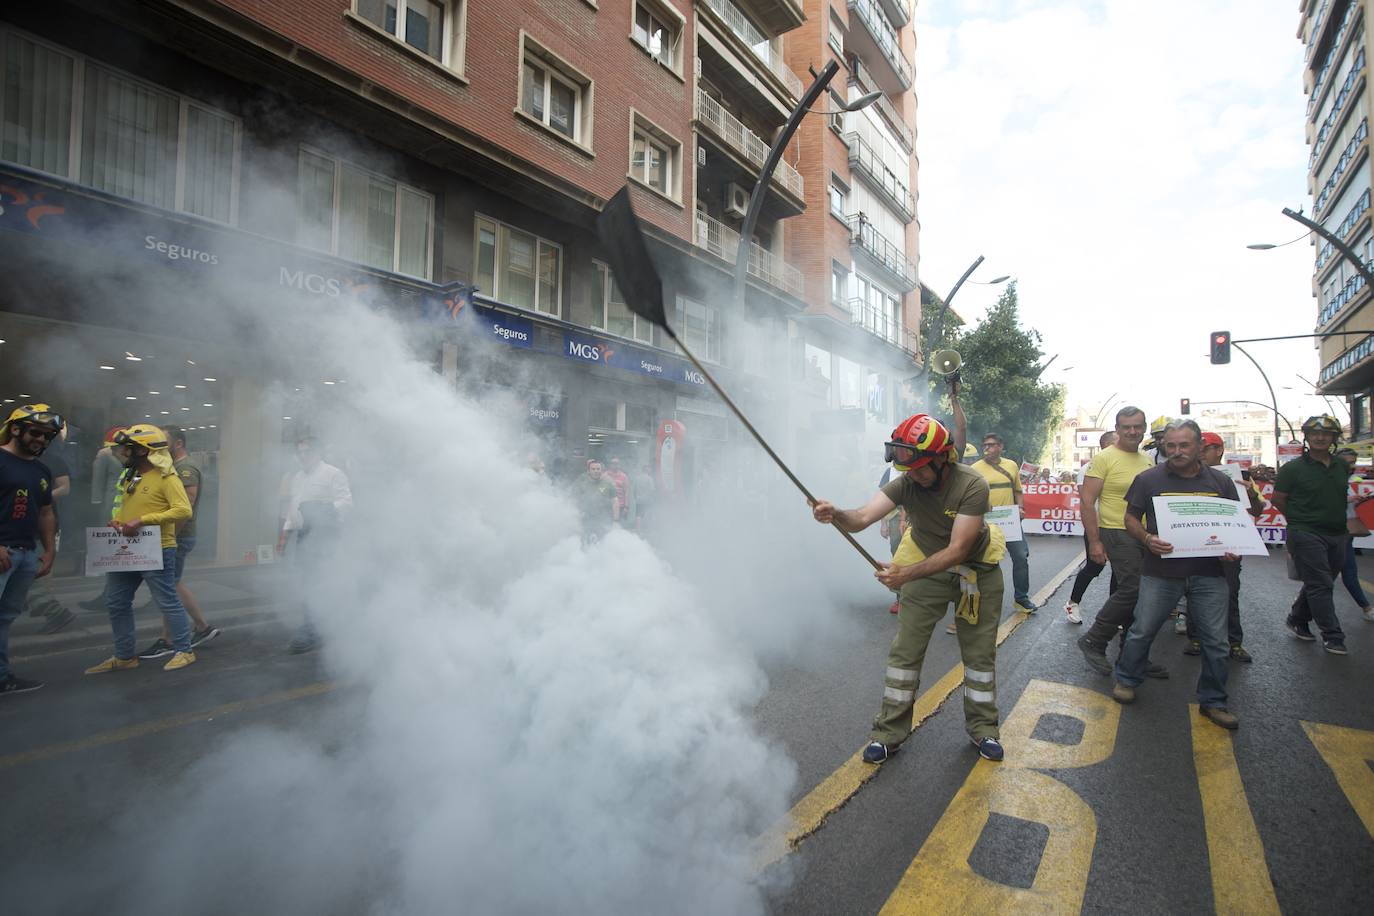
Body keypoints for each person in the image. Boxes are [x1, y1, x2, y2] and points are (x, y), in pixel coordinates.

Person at [810, 413, 1008, 763]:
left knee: (979, 657)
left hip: (977, 571)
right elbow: (861, 518)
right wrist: (835, 513)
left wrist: (905, 575)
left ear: (942, 460)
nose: (911, 475)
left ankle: (984, 730)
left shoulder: (972, 485)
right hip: (927, 568)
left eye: (919, 467)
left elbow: (958, 550)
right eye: (907, 468)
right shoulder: (906, 482)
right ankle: (888, 734)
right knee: (905, 653)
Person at [1111, 420, 1242, 730]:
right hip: (1161, 571)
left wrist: (1232, 546)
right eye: (1171, 446)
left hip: (1210, 574)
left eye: (1184, 445)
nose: (1177, 451)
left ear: (1198, 447)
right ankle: (1127, 680)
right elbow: (1130, 518)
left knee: (1216, 642)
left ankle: (1214, 701)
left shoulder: (1222, 483)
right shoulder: (1148, 479)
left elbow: (1235, 522)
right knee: (1142, 629)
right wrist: (1146, 539)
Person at [84, 425, 198, 674]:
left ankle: (184, 650)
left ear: (145, 450)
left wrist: (143, 520)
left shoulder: (168, 478)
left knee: (166, 600)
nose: (124, 453)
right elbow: (124, 505)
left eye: (130, 448)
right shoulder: (131, 476)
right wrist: (118, 520)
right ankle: (124, 656)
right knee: (116, 601)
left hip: (157, 548)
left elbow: (183, 510)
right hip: (127, 548)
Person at [1075, 407, 1165, 676]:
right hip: (1114, 530)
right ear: (1117, 428)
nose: (1132, 431)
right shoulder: (1103, 459)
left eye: (1137, 426)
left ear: (1144, 427)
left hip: (1143, 533)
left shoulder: (1148, 460)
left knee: (1145, 595)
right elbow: (1087, 502)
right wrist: (1094, 542)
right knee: (1134, 588)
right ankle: (1095, 639)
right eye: (1126, 427)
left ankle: (1133, 655)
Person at [137, 425, 220, 659]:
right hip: (174, 535)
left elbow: (186, 505)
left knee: (169, 585)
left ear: (179, 443)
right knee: (171, 584)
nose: (159, 446)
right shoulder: (173, 466)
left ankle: (173, 637)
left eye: (164, 441)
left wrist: (171, 536)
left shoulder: (186, 468)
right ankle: (197, 629)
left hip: (179, 536)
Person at [1180, 432, 1263, 661]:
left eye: (1206, 448)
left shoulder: (1240, 477)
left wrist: (1251, 495)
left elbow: (1257, 510)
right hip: (1197, 543)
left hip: (1229, 544)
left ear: (1219, 450)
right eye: (1199, 448)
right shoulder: (1186, 475)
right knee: (1195, 592)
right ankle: (1195, 638)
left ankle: (1234, 642)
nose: (1201, 453)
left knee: (1230, 592)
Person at [1273, 416, 1353, 654]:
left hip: (1338, 533)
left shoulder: (1342, 466)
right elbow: (1278, 499)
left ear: (1334, 439)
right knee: (1321, 584)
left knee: (1322, 581)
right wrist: (1299, 522)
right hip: (1306, 533)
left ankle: (1298, 618)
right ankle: (1333, 635)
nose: (1320, 438)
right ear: (1306, 437)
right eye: (1315, 433)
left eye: (1326, 434)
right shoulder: (1292, 469)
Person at [0, 405, 62, 695]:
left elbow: (45, 512)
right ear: (15, 429)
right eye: (35, 432)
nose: (41, 440)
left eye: (47, 436)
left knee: (6, 617)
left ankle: (2, 676)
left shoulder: (41, 470)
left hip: (26, 554)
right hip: (4, 552)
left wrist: (49, 551)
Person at [278, 437, 353, 654]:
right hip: (304, 535)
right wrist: (284, 535)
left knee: (320, 581)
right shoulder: (297, 478)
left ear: (317, 452)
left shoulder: (333, 473)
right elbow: (293, 509)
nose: (303, 456)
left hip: (326, 534)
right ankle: (314, 626)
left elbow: (347, 503)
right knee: (307, 581)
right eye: (299, 453)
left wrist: (323, 509)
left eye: (307, 452)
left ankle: (314, 629)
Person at [972, 432, 1038, 614]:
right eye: (985, 445)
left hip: (1010, 521)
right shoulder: (976, 468)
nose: (987, 448)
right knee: (985, 561)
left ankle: (1022, 599)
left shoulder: (1011, 465)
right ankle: (981, 601)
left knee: (1021, 557)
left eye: (992, 445)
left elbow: (1017, 490)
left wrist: (1021, 508)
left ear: (1000, 446)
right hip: (988, 522)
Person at [1064, 430, 1119, 623]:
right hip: (1097, 526)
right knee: (1095, 566)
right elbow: (1086, 502)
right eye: (1115, 442)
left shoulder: (1129, 464)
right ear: (1104, 446)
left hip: (1121, 526)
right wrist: (1094, 535)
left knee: (1121, 570)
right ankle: (1073, 603)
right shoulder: (1089, 468)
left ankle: (1116, 612)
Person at [25, 426, 76, 633]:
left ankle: (50, 608)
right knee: (28, 569)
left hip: (43, 520)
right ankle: (40, 605)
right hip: (22, 521)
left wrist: (43, 497)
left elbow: (65, 487)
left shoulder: (53, 460)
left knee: (34, 570)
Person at [1335, 447, 1374, 622]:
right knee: (1346, 572)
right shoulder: (1332, 479)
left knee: (1329, 574)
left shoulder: (1345, 480)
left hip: (1345, 532)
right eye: (1349, 462)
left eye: (1353, 462)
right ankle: (1366, 608)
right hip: (1335, 531)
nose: (1353, 466)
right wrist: (1347, 499)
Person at [573, 459, 618, 542]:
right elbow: (575, 499)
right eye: (593, 469)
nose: (596, 471)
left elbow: (615, 501)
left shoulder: (608, 482)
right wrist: (576, 515)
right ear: (589, 471)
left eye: (598, 469)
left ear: (601, 470)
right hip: (586, 518)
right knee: (585, 540)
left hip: (603, 518)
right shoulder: (582, 482)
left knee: (603, 541)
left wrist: (615, 520)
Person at [606, 457, 634, 526]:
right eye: (613, 463)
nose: (615, 465)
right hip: (607, 505)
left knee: (619, 525)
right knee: (607, 524)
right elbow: (601, 490)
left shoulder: (624, 476)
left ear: (619, 465)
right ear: (610, 465)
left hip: (620, 506)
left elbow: (627, 492)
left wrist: (626, 507)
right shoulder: (605, 475)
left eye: (617, 463)